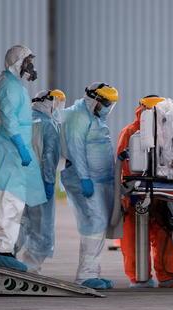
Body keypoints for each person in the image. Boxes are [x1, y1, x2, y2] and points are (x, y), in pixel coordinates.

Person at [0, 45, 47, 271]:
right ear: (17, 62)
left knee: (15, 200)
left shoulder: (14, 85)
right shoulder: (8, 87)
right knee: (7, 199)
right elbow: (9, 120)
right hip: (9, 147)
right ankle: (2, 251)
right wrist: (21, 147)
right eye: (27, 61)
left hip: (13, 148)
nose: (30, 67)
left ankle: (7, 249)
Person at [117, 95, 173, 288]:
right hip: (136, 193)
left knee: (166, 232)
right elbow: (122, 163)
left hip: (163, 191)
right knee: (134, 236)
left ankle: (167, 274)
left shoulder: (168, 131)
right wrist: (125, 192)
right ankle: (139, 276)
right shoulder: (130, 132)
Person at [60, 82, 119, 289]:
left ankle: (92, 272)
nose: (109, 107)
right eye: (107, 103)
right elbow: (76, 151)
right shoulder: (79, 117)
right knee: (95, 223)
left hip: (99, 180)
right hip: (84, 179)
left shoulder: (94, 117)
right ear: (96, 100)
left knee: (100, 224)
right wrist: (84, 178)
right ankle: (85, 276)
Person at [14, 89, 65, 274]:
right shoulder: (48, 124)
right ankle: (31, 267)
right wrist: (49, 182)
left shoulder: (22, 120)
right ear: (47, 102)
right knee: (40, 226)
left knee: (21, 220)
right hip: (40, 183)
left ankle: (7, 255)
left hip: (19, 181)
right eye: (56, 103)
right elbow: (49, 157)